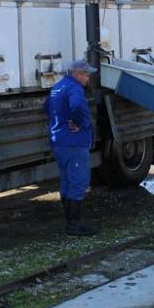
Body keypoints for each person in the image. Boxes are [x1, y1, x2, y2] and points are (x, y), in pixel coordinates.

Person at [44, 60, 99, 236]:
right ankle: (74, 225)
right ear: (76, 73)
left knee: (67, 181)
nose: (88, 78)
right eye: (86, 74)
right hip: (73, 143)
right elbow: (76, 106)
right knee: (78, 181)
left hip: (59, 141)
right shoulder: (75, 88)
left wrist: (60, 122)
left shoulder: (58, 86)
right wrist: (81, 123)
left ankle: (70, 222)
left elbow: (47, 107)